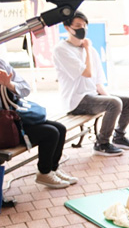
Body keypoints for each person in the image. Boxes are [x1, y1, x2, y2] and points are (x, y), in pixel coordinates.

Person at [52, 10, 129, 157]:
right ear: (67, 28)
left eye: (85, 25)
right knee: (114, 103)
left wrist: (111, 100)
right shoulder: (61, 50)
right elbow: (87, 73)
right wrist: (86, 49)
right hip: (76, 100)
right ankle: (101, 144)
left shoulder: (91, 49)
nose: (82, 29)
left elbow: (97, 82)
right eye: (78, 25)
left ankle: (119, 136)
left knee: (128, 101)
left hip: (92, 96)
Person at [0, 59, 77, 189]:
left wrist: (9, 84)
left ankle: (52, 169)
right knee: (50, 133)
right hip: (5, 129)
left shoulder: (2, 63)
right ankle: (44, 172)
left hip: (17, 118)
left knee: (60, 128)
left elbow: (25, 88)